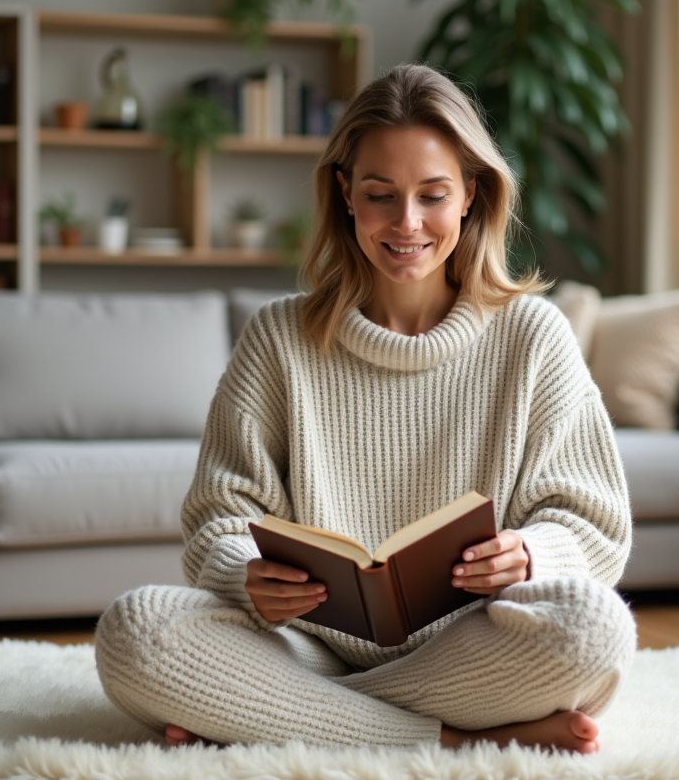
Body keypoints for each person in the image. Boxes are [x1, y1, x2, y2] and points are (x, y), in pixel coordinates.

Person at [94, 64, 635, 754]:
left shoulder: (533, 335)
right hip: (303, 647)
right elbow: (217, 519)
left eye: (432, 195)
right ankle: (450, 739)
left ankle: (284, 719)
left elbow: (594, 524)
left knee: (595, 628)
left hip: (471, 647)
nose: (407, 224)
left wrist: (530, 554)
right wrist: (247, 577)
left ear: (471, 194)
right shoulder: (278, 337)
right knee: (135, 631)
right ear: (345, 194)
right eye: (381, 195)